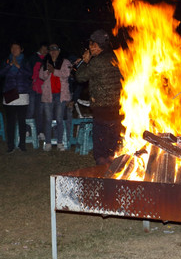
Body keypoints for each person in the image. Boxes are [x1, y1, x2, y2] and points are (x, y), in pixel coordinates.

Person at [75, 29, 123, 165]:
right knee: (112, 143)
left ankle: (102, 171)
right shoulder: (116, 57)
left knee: (101, 144)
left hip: (102, 108)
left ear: (97, 45)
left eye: (91, 45)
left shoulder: (98, 62)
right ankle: (112, 169)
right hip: (117, 106)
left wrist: (84, 62)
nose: (90, 48)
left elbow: (80, 77)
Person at [0, 41, 32, 153]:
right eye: (12, 48)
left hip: (22, 94)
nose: (14, 50)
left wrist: (18, 66)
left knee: (21, 121)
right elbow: (1, 73)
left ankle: (22, 144)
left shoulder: (25, 61)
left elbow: (29, 74)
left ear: (21, 49)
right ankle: (10, 145)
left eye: (17, 48)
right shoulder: (7, 60)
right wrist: (10, 65)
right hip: (9, 94)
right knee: (10, 122)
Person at [39, 43, 71, 151]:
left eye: (55, 49)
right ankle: (47, 142)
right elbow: (41, 76)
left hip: (61, 95)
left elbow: (66, 74)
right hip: (48, 95)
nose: (53, 51)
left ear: (59, 50)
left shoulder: (65, 62)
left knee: (59, 119)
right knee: (48, 119)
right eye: (51, 49)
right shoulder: (45, 62)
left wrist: (54, 71)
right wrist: (48, 71)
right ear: (48, 51)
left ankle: (60, 143)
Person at [26, 42, 48, 140]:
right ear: (40, 48)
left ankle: (40, 132)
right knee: (30, 110)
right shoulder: (33, 58)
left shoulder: (48, 60)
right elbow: (27, 72)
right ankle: (27, 130)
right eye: (44, 48)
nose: (45, 51)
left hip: (43, 89)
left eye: (46, 50)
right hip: (32, 88)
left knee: (40, 112)